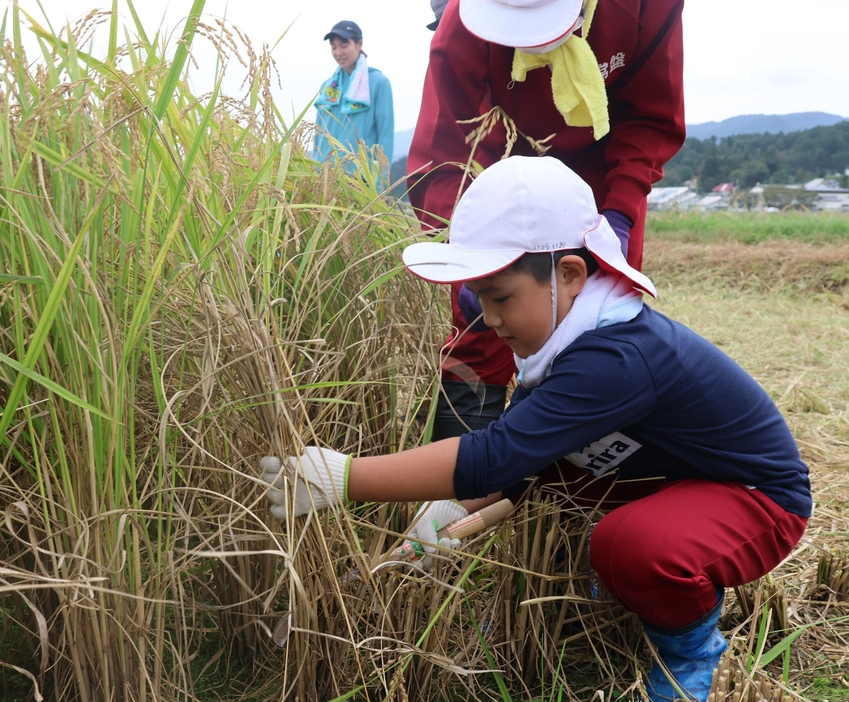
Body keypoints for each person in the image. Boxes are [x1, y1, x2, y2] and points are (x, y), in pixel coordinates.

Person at [261, 156, 811, 702]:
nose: (490, 319)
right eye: (479, 300)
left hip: (757, 500)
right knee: (556, 475)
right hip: (670, 478)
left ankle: (691, 651)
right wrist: (453, 514)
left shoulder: (614, 358)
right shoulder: (558, 341)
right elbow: (522, 464)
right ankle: (638, 583)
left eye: (501, 298)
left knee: (624, 545)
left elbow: (494, 456)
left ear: (569, 275)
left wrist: (345, 480)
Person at [407, 0, 685, 440]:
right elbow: (443, 151)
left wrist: (619, 214)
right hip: (496, 168)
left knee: (598, 320)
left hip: (601, 172)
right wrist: (463, 253)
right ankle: (458, 478)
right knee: (484, 323)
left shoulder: (647, 6)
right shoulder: (464, 21)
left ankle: (582, 483)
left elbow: (650, 118)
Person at [313, 21, 394, 174]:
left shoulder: (378, 83)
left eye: (344, 46)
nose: (338, 53)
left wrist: (380, 186)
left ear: (359, 44)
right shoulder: (328, 88)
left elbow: (385, 138)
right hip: (323, 178)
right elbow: (318, 134)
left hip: (360, 180)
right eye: (334, 47)